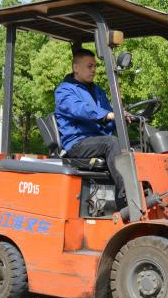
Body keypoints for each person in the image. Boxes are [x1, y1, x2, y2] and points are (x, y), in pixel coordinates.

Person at [55, 48, 129, 210]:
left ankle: (143, 191)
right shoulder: (65, 90)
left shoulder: (97, 91)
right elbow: (80, 109)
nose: (94, 70)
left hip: (97, 140)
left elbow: (109, 116)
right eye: (90, 66)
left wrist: (123, 118)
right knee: (111, 143)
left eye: (95, 66)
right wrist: (108, 115)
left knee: (136, 145)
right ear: (76, 68)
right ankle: (128, 198)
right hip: (77, 143)